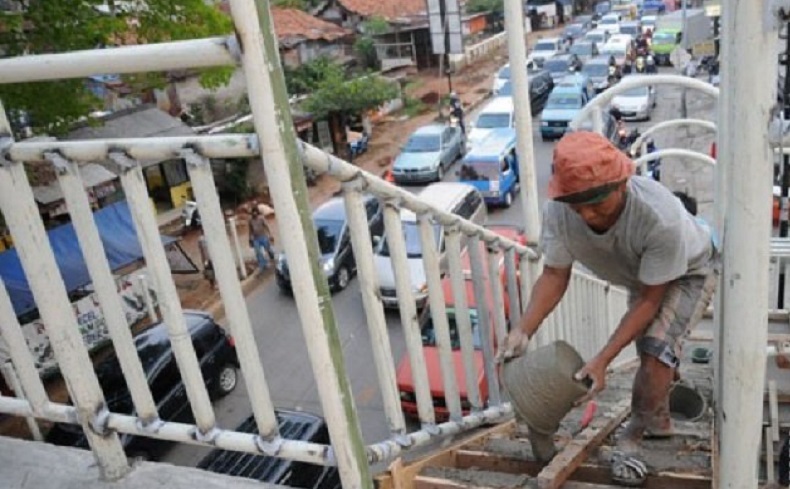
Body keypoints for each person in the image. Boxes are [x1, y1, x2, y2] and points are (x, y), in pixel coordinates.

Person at [498, 132, 720, 486]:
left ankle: (631, 439)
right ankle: (660, 415)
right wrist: (522, 330)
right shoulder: (558, 211)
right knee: (651, 352)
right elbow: (554, 275)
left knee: (656, 349)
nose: (587, 215)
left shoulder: (658, 218)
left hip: (691, 271)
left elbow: (650, 301)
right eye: (577, 206)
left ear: (622, 183)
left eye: (597, 205)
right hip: (641, 276)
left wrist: (602, 361)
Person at [249, 207, 275, 272]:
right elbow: (250, 230)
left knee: (268, 248)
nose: (254, 213)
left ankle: (271, 255)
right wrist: (250, 238)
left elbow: (266, 226)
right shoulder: (250, 221)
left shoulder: (261, 218)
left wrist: (270, 234)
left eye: (255, 212)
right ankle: (263, 264)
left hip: (263, 236)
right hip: (256, 238)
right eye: (253, 212)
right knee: (258, 252)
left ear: (257, 212)